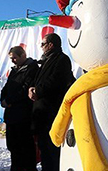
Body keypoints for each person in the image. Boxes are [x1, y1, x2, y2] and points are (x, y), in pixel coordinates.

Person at [28, 33, 75, 171]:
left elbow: (56, 80)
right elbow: (39, 81)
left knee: (52, 151)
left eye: (43, 44)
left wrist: (38, 91)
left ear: (51, 45)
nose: (41, 47)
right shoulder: (45, 60)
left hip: (52, 112)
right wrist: (32, 89)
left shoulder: (62, 59)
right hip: (41, 114)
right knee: (44, 151)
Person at [1, 46, 39, 171]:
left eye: (15, 58)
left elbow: (25, 89)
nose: (13, 61)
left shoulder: (32, 68)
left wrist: (10, 100)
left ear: (23, 55)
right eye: (11, 59)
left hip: (23, 115)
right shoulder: (14, 70)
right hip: (11, 116)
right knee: (13, 145)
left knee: (25, 146)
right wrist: (3, 99)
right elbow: (6, 87)